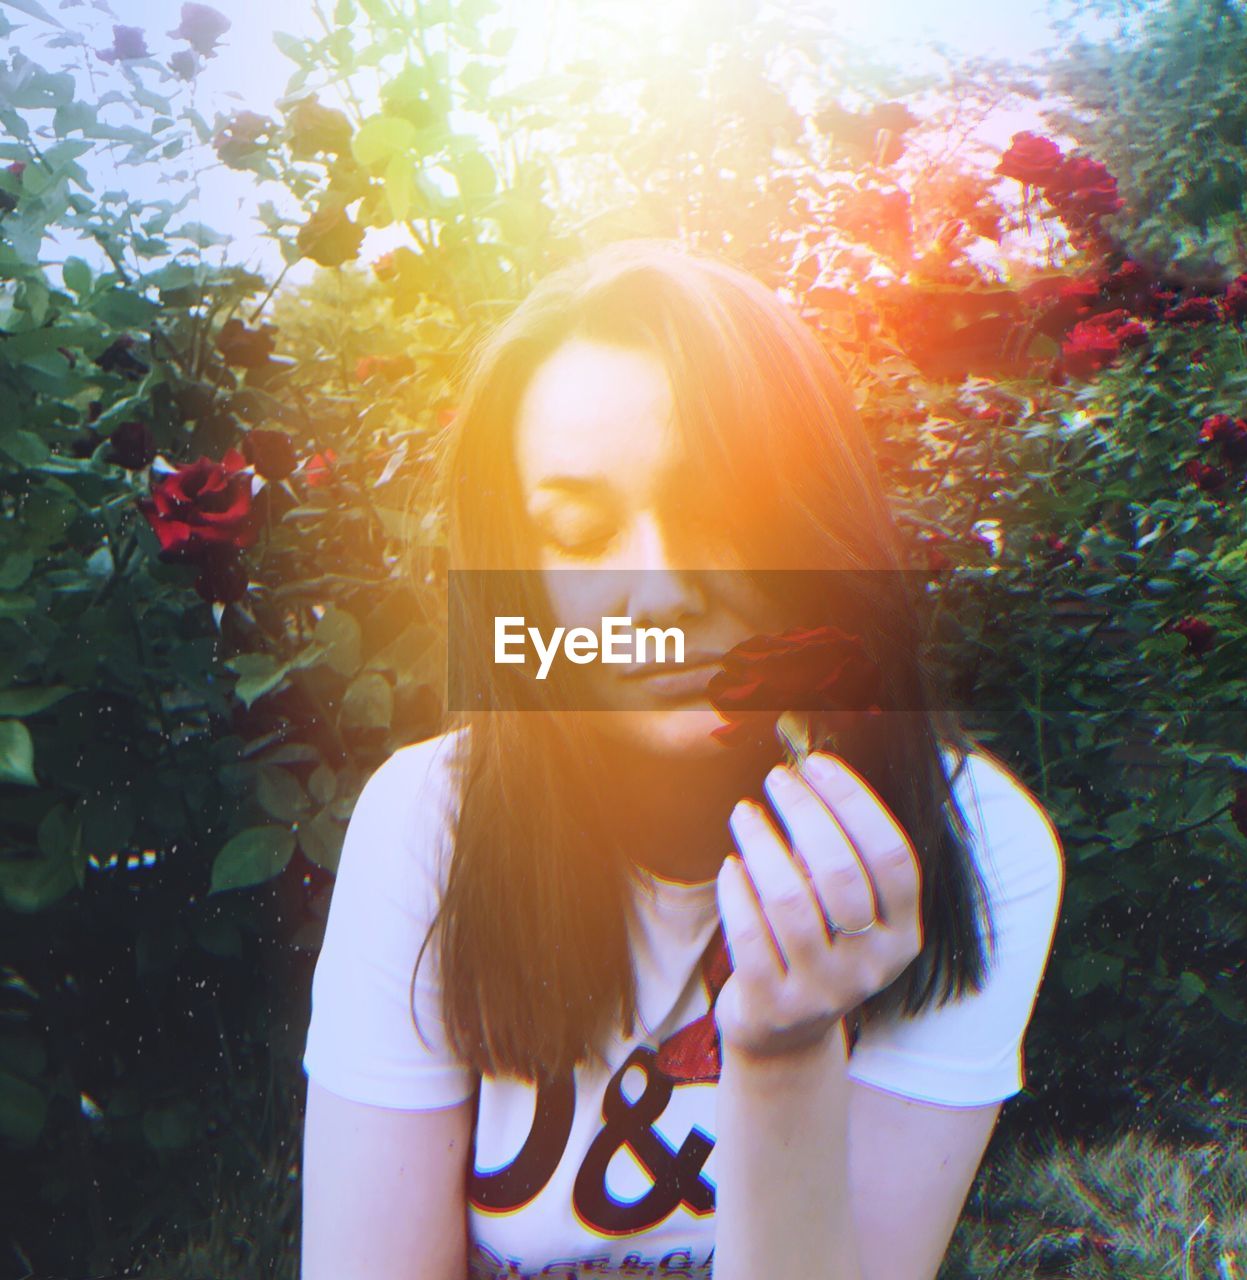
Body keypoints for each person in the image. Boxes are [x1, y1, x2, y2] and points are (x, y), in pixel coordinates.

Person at [299, 238, 1065, 1280]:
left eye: (718, 507)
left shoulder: (971, 848)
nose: (658, 589)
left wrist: (784, 1046)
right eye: (577, 528)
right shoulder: (428, 824)